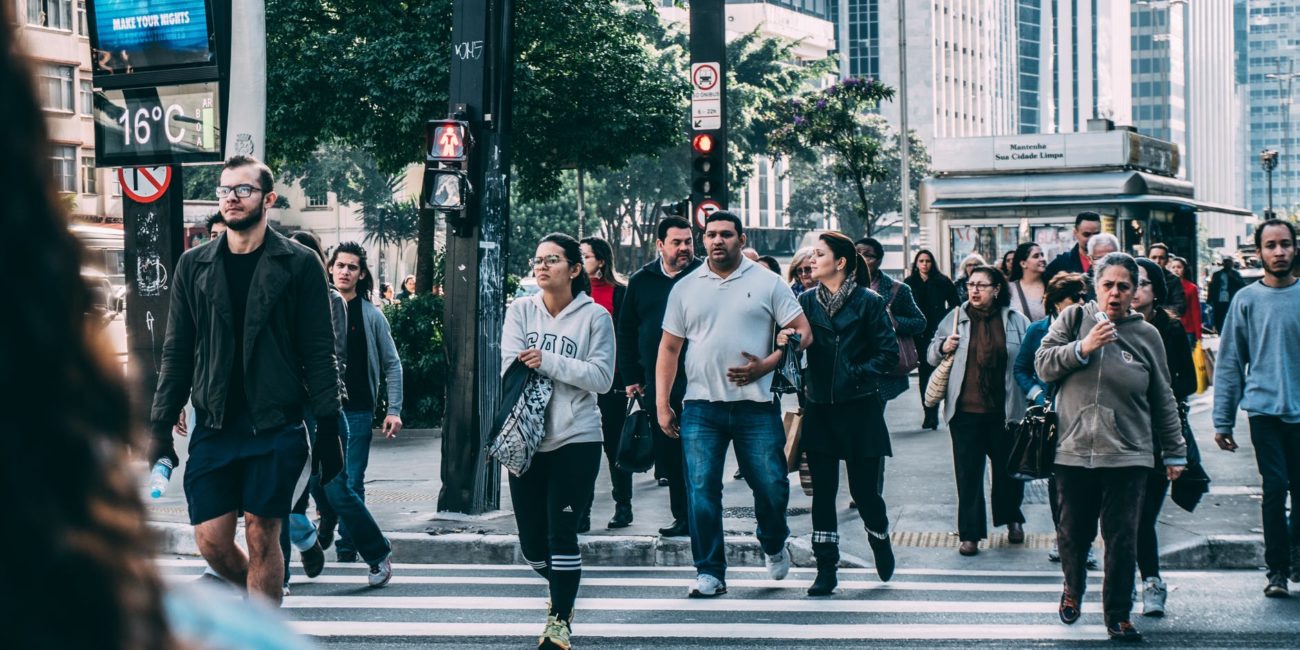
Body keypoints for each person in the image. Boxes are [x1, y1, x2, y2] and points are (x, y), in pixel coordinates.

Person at [150, 155, 343, 604]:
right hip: (215, 425)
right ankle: (261, 600)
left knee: (262, 533)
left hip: (275, 423)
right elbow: (177, 351)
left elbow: (320, 351)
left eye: (243, 190)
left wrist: (330, 428)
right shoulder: (193, 265)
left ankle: (261, 625)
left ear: (268, 199)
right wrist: (159, 427)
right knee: (212, 540)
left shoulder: (299, 264)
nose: (231, 199)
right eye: (224, 190)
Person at [656, 211, 813, 598]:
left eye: (726, 234)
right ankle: (709, 571)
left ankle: (773, 541)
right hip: (701, 407)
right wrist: (662, 403)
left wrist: (768, 365)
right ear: (703, 239)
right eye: (710, 235)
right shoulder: (685, 287)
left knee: (773, 487)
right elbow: (669, 349)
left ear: (741, 239)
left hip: (755, 407)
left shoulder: (769, 283)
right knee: (702, 490)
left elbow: (804, 333)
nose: (717, 241)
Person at [1035, 252, 1187, 642]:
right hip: (1073, 448)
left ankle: (1117, 614)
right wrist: (1083, 347)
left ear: (1135, 292)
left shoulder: (1147, 335)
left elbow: (1163, 397)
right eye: (1108, 285)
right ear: (1094, 286)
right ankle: (1073, 586)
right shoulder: (1072, 320)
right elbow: (1043, 364)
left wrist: (1174, 451)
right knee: (1072, 532)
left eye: (1124, 286)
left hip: (1129, 453)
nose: (1115, 293)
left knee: (1122, 537)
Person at [500, 232, 615, 648]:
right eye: (537, 259)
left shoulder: (595, 317)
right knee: (532, 545)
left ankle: (559, 620)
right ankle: (566, 586)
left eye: (552, 259)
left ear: (574, 269)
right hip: (526, 439)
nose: (542, 265)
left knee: (561, 533)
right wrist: (557, 366)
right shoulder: (520, 311)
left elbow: (602, 378)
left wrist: (547, 360)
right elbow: (509, 368)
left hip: (577, 436)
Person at [786, 232, 899, 595]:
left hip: (860, 407)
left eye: (819, 255)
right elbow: (795, 348)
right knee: (822, 493)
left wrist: (853, 372)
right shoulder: (804, 301)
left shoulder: (869, 302)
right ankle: (826, 567)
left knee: (866, 493)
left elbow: (888, 354)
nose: (811, 261)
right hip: (819, 408)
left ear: (841, 262)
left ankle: (879, 539)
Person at [1213, 218, 1300, 598]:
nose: (1279, 252)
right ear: (1259, 252)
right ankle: (1277, 570)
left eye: (1285, 244)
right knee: (1275, 487)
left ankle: (1296, 555)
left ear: (1295, 248)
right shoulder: (1246, 299)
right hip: (1264, 411)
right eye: (1271, 245)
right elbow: (1230, 362)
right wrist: (1223, 420)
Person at [926, 265, 1030, 556]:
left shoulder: (1014, 320)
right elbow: (931, 354)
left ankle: (1011, 518)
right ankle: (970, 534)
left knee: (1009, 472)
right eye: (971, 284)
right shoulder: (956, 318)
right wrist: (944, 345)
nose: (974, 290)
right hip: (965, 412)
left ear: (996, 289)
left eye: (982, 285)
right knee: (968, 475)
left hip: (1006, 412)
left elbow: (1027, 359)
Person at [619, 217, 701, 538]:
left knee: (700, 455)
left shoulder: (704, 275)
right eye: (677, 242)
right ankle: (681, 516)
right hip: (658, 384)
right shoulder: (641, 281)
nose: (685, 248)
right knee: (669, 454)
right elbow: (626, 331)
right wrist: (632, 377)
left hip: (701, 380)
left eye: (689, 242)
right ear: (660, 245)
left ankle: (702, 517)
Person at [326, 242, 404, 564]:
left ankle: (347, 547)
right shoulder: (317, 308)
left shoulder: (371, 315)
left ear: (361, 274)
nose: (345, 271)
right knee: (322, 482)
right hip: (321, 411)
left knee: (352, 480)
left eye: (352, 267)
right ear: (330, 268)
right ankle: (326, 529)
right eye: (340, 265)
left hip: (357, 409)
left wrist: (394, 409)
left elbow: (392, 364)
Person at [1011, 272, 1095, 566]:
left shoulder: (1091, 328)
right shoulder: (1038, 330)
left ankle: (1084, 541)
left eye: (1085, 296)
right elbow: (1021, 368)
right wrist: (1037, 395)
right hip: (1053, 417)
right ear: (1059, 303)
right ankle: (1063, 538)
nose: (1083, 302)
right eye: (1076, 297)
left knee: (1088, 479)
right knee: (1059, 482)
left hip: (1086, 415)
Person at [1131, 258, 1199, 617]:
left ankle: (1152, 582)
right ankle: (1125, 579)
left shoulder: (1168, 330)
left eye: (1142, 283)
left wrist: (1156, 392)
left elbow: (1188, 382)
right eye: (1131, 283)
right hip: (1120, 435)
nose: (1134, 290)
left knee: (1142, 517)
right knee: (1120, 517)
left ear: (1156, 291)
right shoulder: (1111, 325)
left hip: (1157, 435)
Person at [579, 236, 631, 531]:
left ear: (600, 260)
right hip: (579, 383)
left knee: (614, 448)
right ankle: (581, 512)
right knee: (582, 449)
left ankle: (623, 506)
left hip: (613, 383)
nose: (581, 260)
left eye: (585, 255)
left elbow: (626, 340)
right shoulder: (573, 295)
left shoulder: (620, 293)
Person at [855, 237, 927, 403]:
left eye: (867, 255)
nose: (860, 259)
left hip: (880, 364)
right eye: (856, 253)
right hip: (849, 363)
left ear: (879, 260)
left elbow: (919, 322)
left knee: (872, 418)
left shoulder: (897, 289)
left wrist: (896, 322)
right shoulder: (841, 285)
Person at [905, 249, 960, 430]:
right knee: (923, 375)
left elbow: (955, 305)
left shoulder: (942, 281)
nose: (924, 264)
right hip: (918, 334)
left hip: (937, 333)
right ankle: (928, 412)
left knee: (937, 372)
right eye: (921, 261)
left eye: (928, 261)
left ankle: (934, 412)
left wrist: (944, 318)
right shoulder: (910, 283)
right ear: (916, 263)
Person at [1043, 211, 1102, 286]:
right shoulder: (1062, 263)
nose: (1092, 239)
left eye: (1096, 234)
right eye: (1086, 234)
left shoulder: (1110, 262)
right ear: (1075, 233)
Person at [1007, 242, 1048, 322]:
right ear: (1023, 264)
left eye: (1042, 255)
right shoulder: (1009, 289)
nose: (1042, 259)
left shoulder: (1053, 286)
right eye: (1036, 256)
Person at [1168, 256, 1203, 348]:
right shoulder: (1166, 286)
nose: (1176, 270)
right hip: (1170, 328)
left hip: (1188, 329)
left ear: (1184, 269)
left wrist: (1198, 334)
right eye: (1173, 267)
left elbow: (1195, 311)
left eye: (1179, 267)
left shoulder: (1192, 287)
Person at [1145, 243, 1187, 317]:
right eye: (1154, 257)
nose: (1157, 261)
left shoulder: (1174, 280)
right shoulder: (1140, 277)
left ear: (1167, 260)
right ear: (1148, 258)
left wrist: (1156, 311)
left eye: (1161, 258)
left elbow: (1180, 306)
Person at [1207, 256, 1245, 334]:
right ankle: (1220, 330)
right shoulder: (1217, 274)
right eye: (1226, 262)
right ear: (1223, 264)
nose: (1227, 264)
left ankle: (1230, 331)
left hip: (1231, 299)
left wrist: (1232, 278)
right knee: (1219, 315)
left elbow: (1241, 285)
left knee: (1230, 315)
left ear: (1232, 264)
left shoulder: (1235, 274)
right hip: (1219, 299)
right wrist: (1209, 299)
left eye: (1229, 262)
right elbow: (1212, 287)